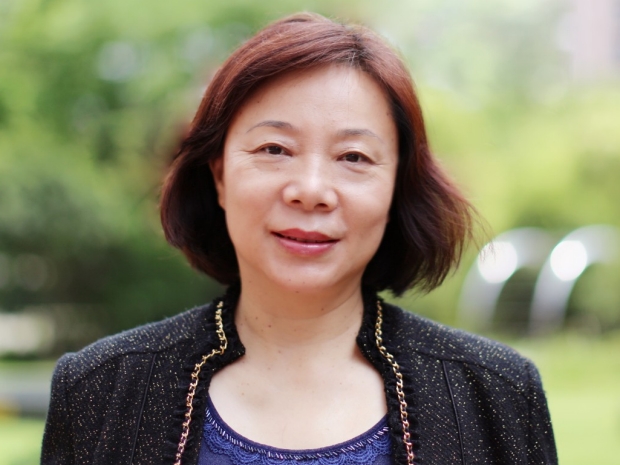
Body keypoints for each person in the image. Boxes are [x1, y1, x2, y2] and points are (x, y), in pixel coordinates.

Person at [41, 12, 557, 465]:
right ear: (219, 176)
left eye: (353, 157)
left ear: (396, 188)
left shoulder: (497, 394)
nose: (311, 191)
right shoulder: (99, 390)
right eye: (274, 149)